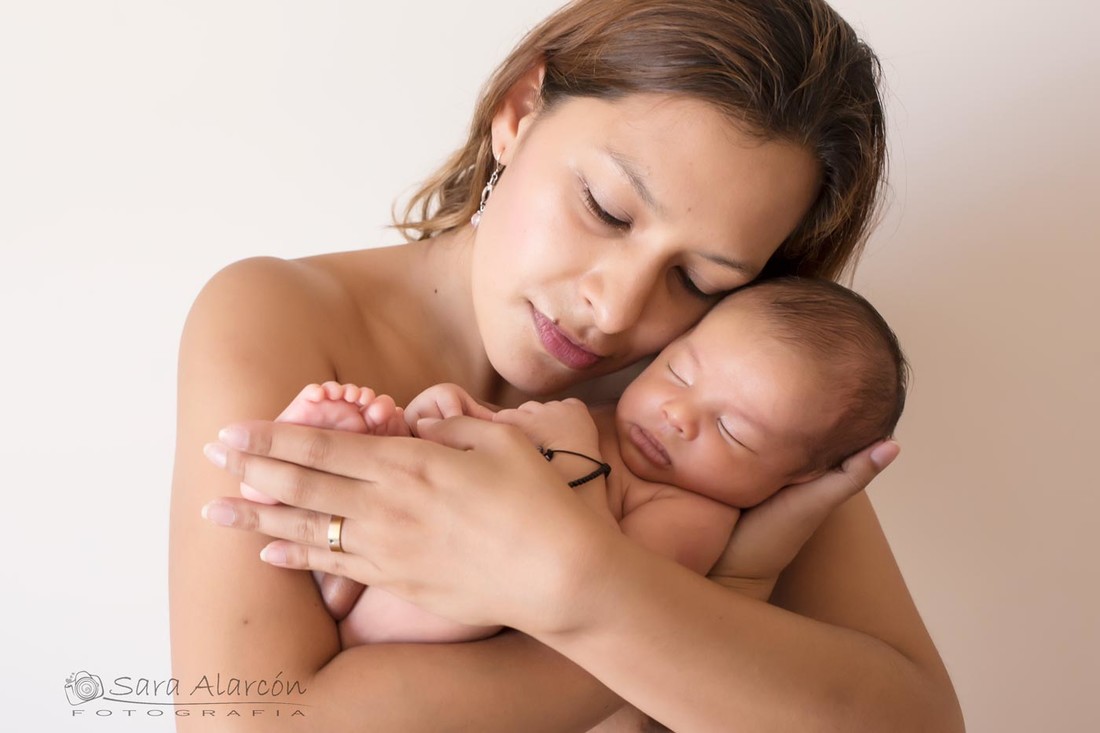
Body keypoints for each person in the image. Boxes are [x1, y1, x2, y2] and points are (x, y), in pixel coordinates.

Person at [171, 0, 965, 731]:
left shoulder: (716, 385)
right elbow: (248, 720)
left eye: (699, 280)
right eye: (607, 209)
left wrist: (581, 583)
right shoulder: (284, 312)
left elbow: (915, 719)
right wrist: (718, 596)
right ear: (519, 112)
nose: (618, 311)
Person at [241, 277, 909, 658]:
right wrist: (450, 416)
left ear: (791, 478)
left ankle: (351, 597)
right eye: (679, 370)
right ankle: (363, 472)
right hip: (415, 559)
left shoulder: (694, 517)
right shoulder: (609, 413)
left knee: (468, 585)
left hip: (462, 625)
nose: (679, 413)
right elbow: (504, 450)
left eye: (732, 428)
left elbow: (594, 585)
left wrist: (575, 459)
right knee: (422, 459)